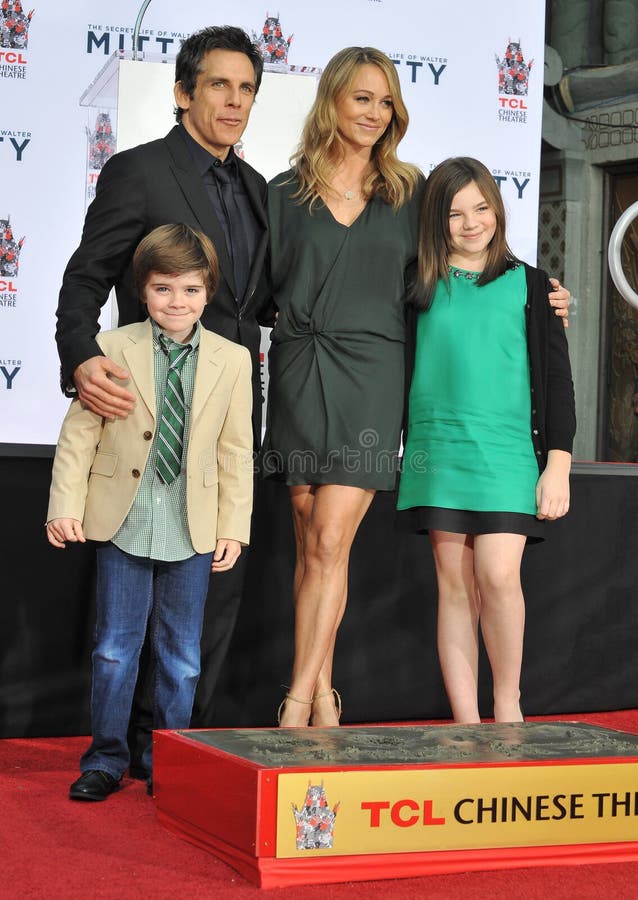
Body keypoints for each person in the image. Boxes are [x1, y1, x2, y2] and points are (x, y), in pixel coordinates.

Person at [262, 47, 571, 728]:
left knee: (334, 539)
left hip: (375, 381)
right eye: (361, 98)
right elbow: (263, 289)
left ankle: (297, 699)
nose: (374, 112)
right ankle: (322, 692)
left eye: (385, 100)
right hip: (301, 376)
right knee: (312, 538)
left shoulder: (411, 193)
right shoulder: (283, 193)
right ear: (332, 102)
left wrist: (548, 300)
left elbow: (478, 269)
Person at [54, 25, 269, 765]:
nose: (234, 101)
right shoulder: (138, 171)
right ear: (184, 92)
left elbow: (259, 305)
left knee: (204, 608)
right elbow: (86, 277)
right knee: (126, 623)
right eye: (218, 84)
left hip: (223, 409)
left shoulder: (255, 187)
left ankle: (176, 754)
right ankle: (119, 748)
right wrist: (81, 357)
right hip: (140, 412)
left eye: (245, 88)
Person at [47, 224, 254, 800]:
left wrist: (234, 526)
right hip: (123, 521)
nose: (176, 302)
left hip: (194, 527)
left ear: (208, 292)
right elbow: (79, 437)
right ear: (142, 291)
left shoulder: (233, 359)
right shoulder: (111, 349)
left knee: (182, 658)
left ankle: (170, 758)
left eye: (189, 290)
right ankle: (106, 759)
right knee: (115, 649)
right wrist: (65, 504)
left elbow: (237, 451)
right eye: (163, 289)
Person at [397, 157, 576, 725]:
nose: (470, 223)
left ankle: (507, 706)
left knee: (498, 576)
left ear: (497, 209)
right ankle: (466, 725)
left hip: (507, 454)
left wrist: (559, 463)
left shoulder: (533, 286)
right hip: (437, 450)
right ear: (436, 221)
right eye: (454, 213)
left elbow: (556, 380)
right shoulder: (416, 281)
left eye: (480, 208)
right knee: (454, 587)